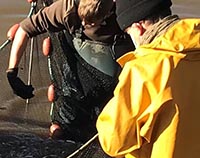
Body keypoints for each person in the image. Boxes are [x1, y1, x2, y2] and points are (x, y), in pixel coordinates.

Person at [96, 0, 200, 158]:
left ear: (139, 26)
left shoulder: (144, 68)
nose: (131, 39)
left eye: (128, 33)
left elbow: (114, 141)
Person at [6, 0, 134, 142]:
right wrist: (12, 72)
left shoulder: (127, 9)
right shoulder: (67, 8)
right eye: (83, 20)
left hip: (123, 61)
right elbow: (24, 29)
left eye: (92, 23)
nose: (85, 24)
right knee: (67, 128)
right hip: (85, 61)